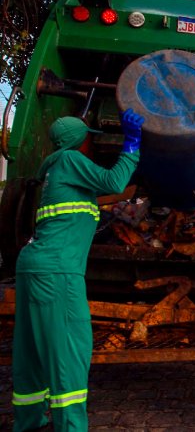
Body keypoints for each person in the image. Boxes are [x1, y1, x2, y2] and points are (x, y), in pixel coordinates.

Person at [11, 110, 144, 431]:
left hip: (33, 267)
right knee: (69, 349)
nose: (91, 145)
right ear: (77, 142)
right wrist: (131, 145)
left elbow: (101, 195)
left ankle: (29, 420)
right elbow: (114, 181)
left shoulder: (55, 170)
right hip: (58, 272)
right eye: (88, 140)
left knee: (32, 349)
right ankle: (70, 426)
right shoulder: (70, 160)